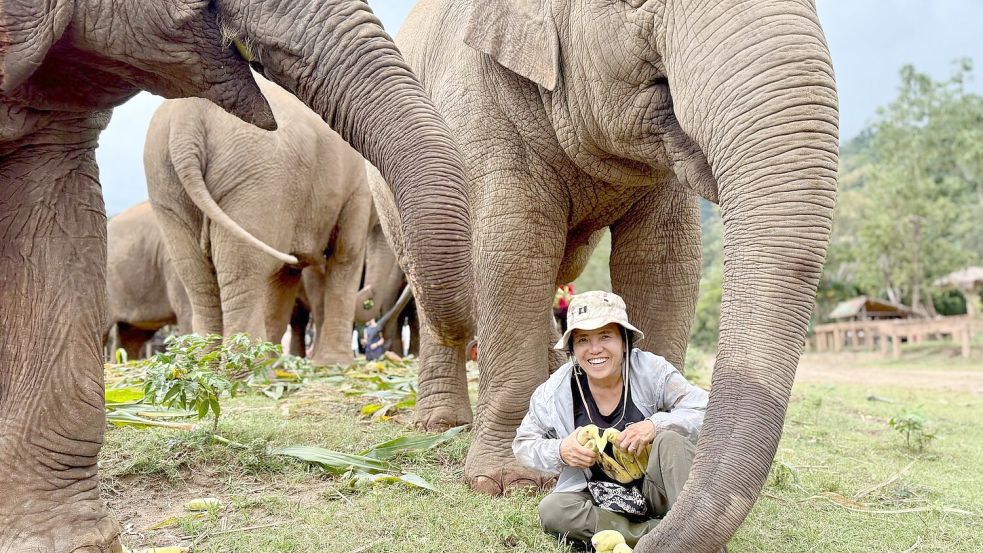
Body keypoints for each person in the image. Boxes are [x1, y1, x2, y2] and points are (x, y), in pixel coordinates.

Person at [514, 290, 709, 550]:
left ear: (624, 341)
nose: (595, 349)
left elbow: (705, 409)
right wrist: (560, 450)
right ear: (572, 348)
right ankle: (665, 536)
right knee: (553, 510)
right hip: (600, 499)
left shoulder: (652, 371)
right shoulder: (554, 392)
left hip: (658, 491)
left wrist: (655, 425)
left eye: (605, 336)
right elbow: (523, 443)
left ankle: (693, 533)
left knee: (671, 441)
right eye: (583, 340)